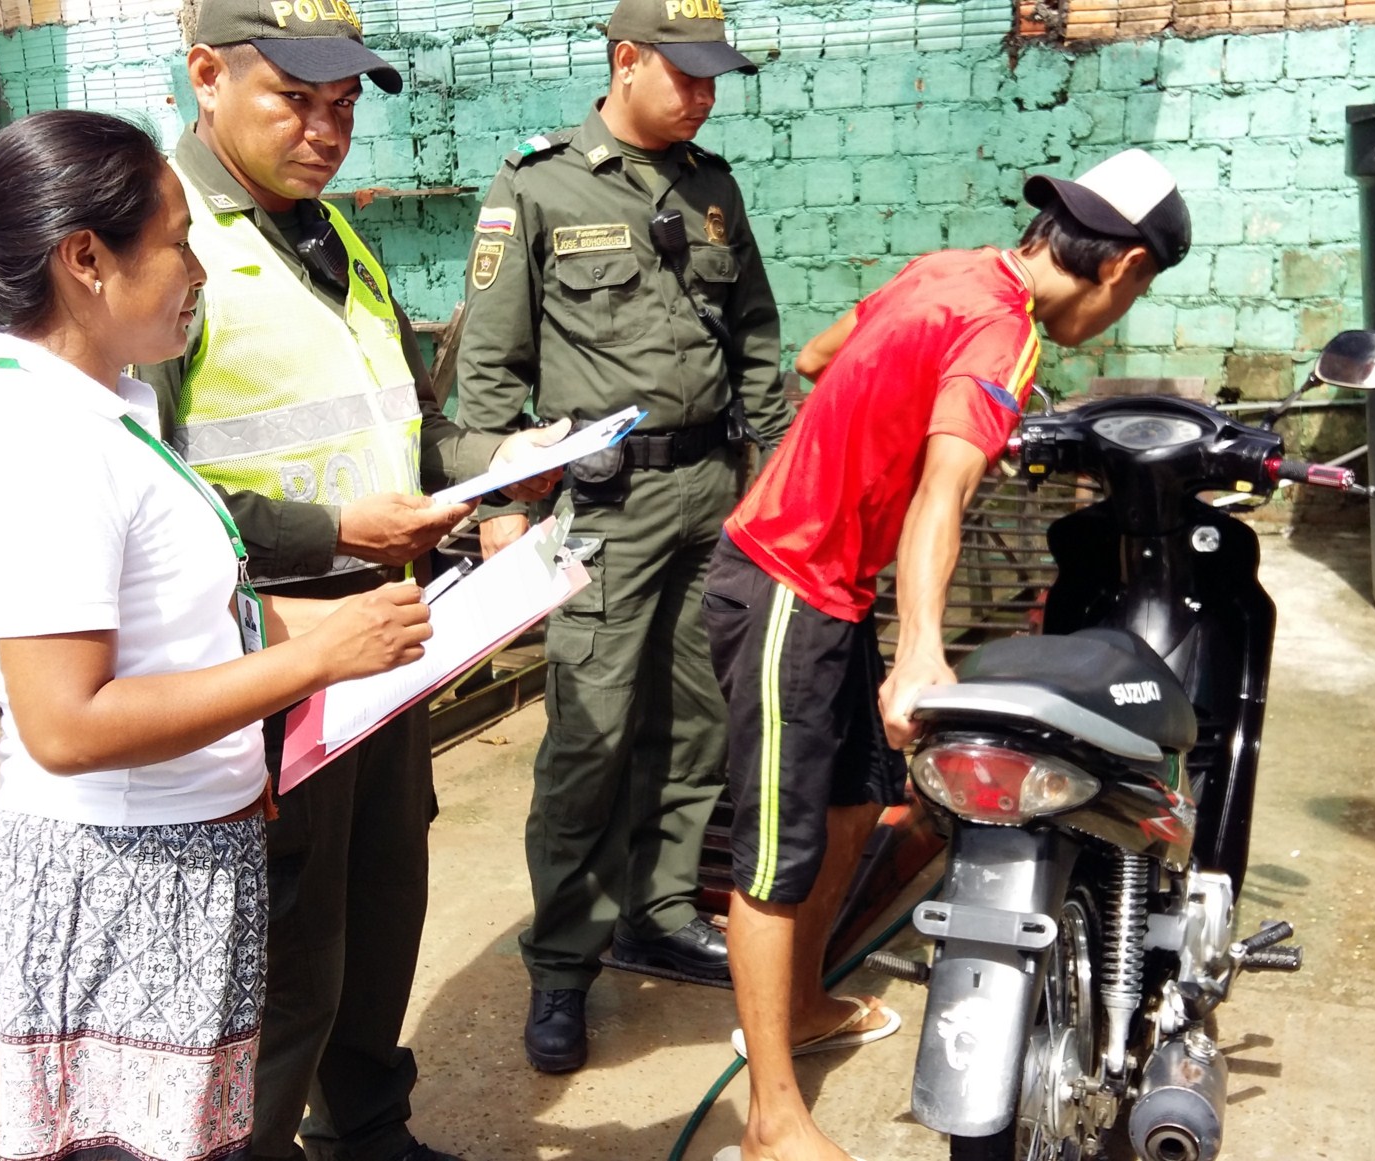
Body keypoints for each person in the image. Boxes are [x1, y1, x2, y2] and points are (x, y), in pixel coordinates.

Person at [0, 109, 434, 1161]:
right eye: (179, 243)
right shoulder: (41, 446)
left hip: (182, 862)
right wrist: (314, 659)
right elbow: (68, 724)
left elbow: (188, 618)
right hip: (126, 882)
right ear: (86, 260)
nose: (198, 273)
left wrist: (351, 626)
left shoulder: (104, 415)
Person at [704, 148, 1192, 1161]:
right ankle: (771, 1120)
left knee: (852, 806)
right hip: (786, 583)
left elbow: (819, 356)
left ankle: (803, 1002)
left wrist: (884, 418)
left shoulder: (951, 269)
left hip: (830, 587)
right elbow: (944, 494)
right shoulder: (1004, 336)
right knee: (773, 857)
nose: (1122, 310)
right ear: (1123, 266)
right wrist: (920, 649)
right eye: (1137, 293)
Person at [139, 3, 564, 1158]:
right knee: (285, 950)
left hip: (387, 631)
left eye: (341, 106)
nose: (326, 132)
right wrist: (333, 529)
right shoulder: (162, 247)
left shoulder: (333, 235)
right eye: (294, 100)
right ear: (205, 77)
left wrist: (496, 469)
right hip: (264, 648)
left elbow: (404, 429)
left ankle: (368, 1131)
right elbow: (144, 502)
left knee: (382, 894)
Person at [451, 0, 791, 1075]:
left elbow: (757, 340)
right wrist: (499, 507)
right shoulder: (538, 186)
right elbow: (490, 369)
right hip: (603, 506)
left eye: (714, 79)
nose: (703, 96)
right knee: (590, 738)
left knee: (697, 720)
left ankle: (660, 907)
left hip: (711, 492)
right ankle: (562, 962)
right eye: (685, 75)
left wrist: (779, 473)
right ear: (627, 60)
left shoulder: (712, 186)